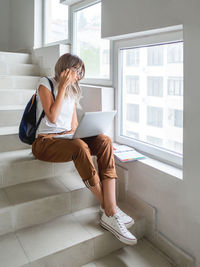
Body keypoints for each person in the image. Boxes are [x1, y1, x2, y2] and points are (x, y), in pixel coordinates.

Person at [32, 53, 137, 246]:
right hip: (44, 143)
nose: (78, 76)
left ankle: (110, 208)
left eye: (81, 73)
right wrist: (63, 86)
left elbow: (72, 126)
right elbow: (53, 118)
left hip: (65, 139)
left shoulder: (73, 91)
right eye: (76, 71)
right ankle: (110, 210)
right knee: (80, 146)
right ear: (64, 69)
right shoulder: (45, 83)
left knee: (104, 140)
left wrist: (81, 133)